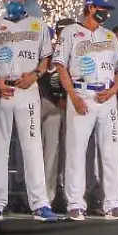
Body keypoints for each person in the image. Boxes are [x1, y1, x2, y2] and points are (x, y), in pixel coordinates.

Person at [0, 0, 58, 222]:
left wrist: (35, 75)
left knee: (32, 147)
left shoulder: (38, 24)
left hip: (28, 89)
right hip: (3, 91)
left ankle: (40, 204)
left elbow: (46, 58)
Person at [54, 0, 118, 221]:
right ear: (89, 8)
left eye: (107, 8)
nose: (105, 12)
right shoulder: (70, 32)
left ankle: (113, 204)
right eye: (101, 7)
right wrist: (73, 97)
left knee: (112, 152)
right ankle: (75, 204)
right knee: (76, 151)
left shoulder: (110, 36)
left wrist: (113, 90)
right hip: (82, 93)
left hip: (106, 96)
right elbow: (60, 67)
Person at [40, 18, 74, 206]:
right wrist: (57, 98)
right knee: (51, 151)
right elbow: (43, 79)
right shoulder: (50, 51)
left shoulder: (78, 48)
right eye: (61, 31)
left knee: (71, 152)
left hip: (71, 105)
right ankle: (48, 195)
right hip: (52, 105)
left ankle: (70, 195)